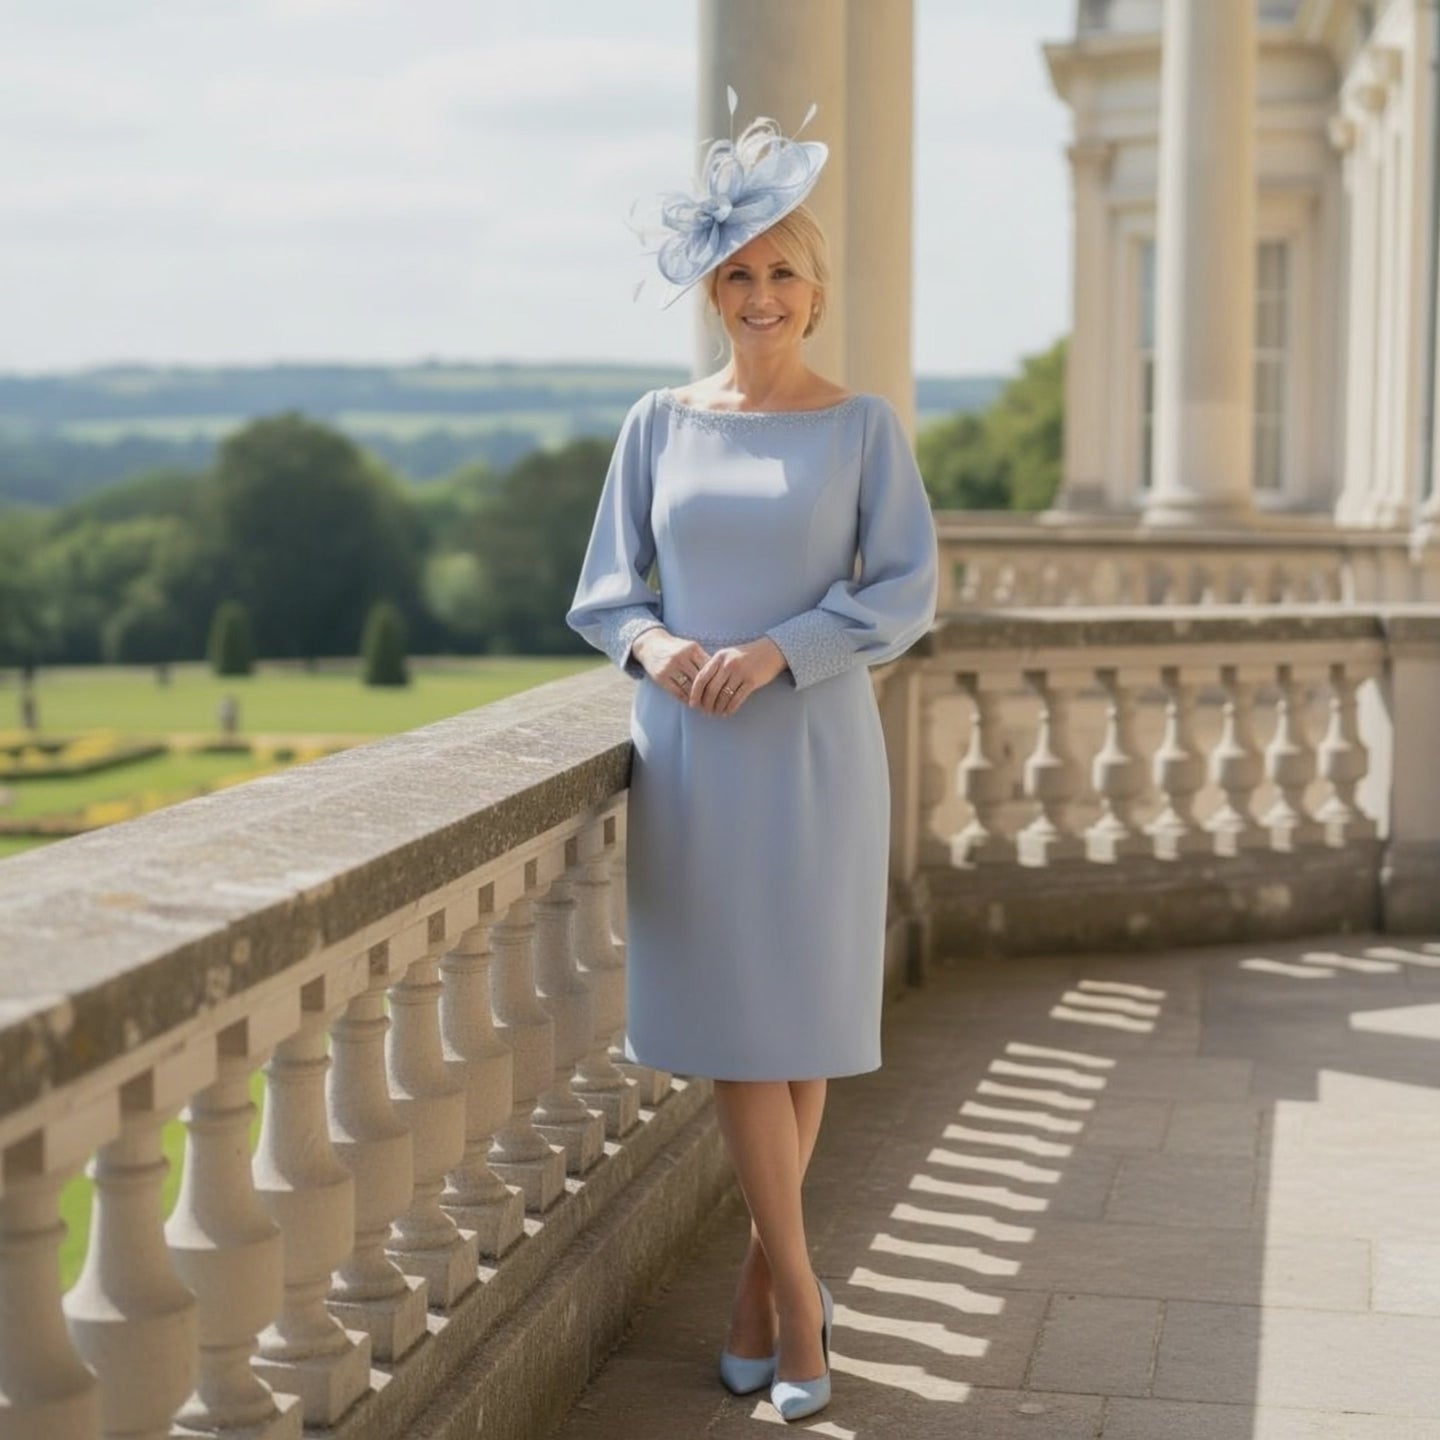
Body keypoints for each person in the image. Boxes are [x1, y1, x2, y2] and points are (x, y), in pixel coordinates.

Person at [565, 93, 939, 1424]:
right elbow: (605, 591)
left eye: (783, 271)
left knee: (795, 1041)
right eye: (739, 272)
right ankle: (798, 1300)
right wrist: (659, 649)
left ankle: (764, 1297)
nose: (760, 292)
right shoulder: (657, 424)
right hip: (694, 762)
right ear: (711, 288)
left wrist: (782, 649)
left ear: (815, 290)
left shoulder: (863, 430)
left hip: (816, 752)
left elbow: (905, 593)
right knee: (738, 1038)